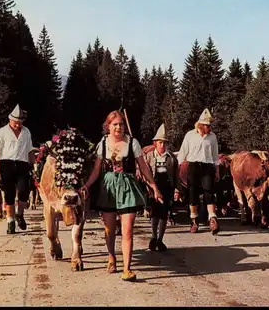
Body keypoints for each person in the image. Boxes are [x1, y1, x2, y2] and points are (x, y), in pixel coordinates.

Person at [81, 110, 163, 282]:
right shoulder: (102, 144)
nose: (119, 127)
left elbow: (144, 168)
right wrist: (87, 186)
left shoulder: (133, 143)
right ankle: (111, 257)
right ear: (108, 126)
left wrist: (154, 187)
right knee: (110, 229)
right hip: (108, 187)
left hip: (127, 187)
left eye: (121, 124)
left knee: (127, 231)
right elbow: (96, 170)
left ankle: (127, 269)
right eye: (115, 124)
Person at [0, 105, 35, 234]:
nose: (18, 125)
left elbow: (30, 150)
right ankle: (10, 222)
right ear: (10, 120)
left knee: (23, 191)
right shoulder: (1, 132)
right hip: (6, 164)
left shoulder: (26, 132)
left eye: (20, 123)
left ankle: (19, 214)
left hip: (22, 164)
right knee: (9, 194)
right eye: (16, 123)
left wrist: (35, 164)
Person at [177, 108, 221, 234]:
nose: (209, 127)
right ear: (200, 125)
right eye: (207, 125)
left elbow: (215, 155)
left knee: (209, 192)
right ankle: (194, 221)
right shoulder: (190, 135)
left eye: (210, 125)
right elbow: (183, 152)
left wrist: (217, 170)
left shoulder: (212, 137)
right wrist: (179, 168)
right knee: (193, 193)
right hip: (193, 166)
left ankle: (212, 219)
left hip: (207, 166)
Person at [144, 124, 179, 252]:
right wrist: (149, 187)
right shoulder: (148, 157)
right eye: (160, 143)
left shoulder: (172, 159)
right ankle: (153, 237)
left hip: (167, 188)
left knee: (164, 214)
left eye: (164, 143)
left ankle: (160, 239)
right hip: (153, 187)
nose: (162, 145)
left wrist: (176, 190)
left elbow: (176, 176)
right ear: (155, 143)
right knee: (154, 213)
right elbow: (145, 174)